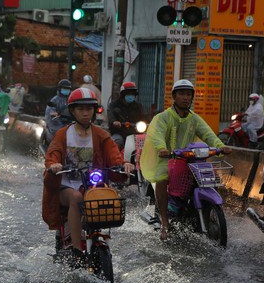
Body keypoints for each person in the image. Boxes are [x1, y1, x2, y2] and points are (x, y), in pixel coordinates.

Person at [42, 88, 135, 261]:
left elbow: (114, 156)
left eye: (89, 109)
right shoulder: (63, 134)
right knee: (76, 197)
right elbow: (52, 154)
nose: (85, 113)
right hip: (66, 187)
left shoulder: (101, 134)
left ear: (94, 111)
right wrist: (54, 164)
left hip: (93, 185)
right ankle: (76, 251)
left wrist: (123, 165)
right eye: (80, 109)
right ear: (73, 111)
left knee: (106, 198)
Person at [140, 79, 231, 240]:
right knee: (161, 180)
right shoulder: (163, 117)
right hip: (166, 159)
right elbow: (156, 134)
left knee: (207, 178)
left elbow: (208, 134)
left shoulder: (194, 118)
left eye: (188, 94)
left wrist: (220, 146)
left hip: (189, 159)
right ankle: (165, 225)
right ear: (174, 96)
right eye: (181, 94)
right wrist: (162, 148)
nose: (185, 97)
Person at [107, 81, 145, 149]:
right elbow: (110, 115)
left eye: (132, 94)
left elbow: (143, 117)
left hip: (134, 133)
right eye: (128, 94)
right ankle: (115, 158)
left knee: (145, 143)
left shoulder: (138, 106)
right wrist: (114, 122)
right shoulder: (114, 105)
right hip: (119, 132)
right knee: (116, 143)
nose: (131, 96)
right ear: (123, 95)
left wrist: (147, 123)